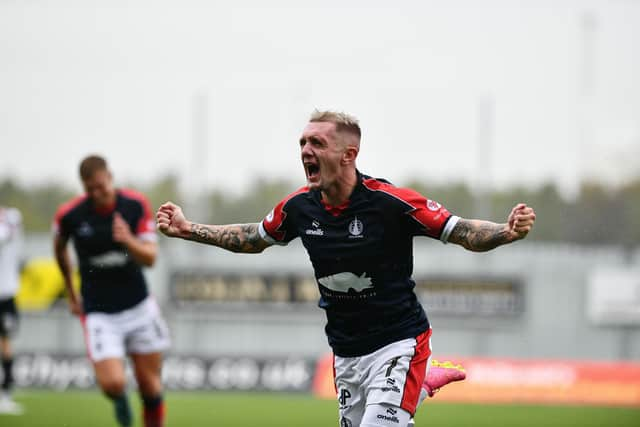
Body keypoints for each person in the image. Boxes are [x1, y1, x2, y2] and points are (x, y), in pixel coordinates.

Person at [157, 110, 536, 427]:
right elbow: (253, 238)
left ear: (348, 154)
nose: (306, 150)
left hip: (400, 342)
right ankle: (417, 385)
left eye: (317, 143)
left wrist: (505, 232)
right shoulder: (299, 207)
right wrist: (189, 230)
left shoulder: (392, 203)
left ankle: (412, 376)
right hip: (346, 352)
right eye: (303, 143)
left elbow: (463, 232)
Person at [53, 155, 170, 427]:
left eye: (100, 186)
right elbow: (59, 250)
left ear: (110, 177)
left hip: (139, 307)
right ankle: (119, 399)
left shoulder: (134, 205)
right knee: (113, 383)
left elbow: (151, 258)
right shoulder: (70, 215)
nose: (96, 193)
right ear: (83, 186)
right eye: (89, 188)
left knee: (150, 388)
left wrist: (128, 239)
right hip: (99, 312)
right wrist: (72, 294)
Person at [0, 206, 24, 415]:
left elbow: (9, 230)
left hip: (6, 294)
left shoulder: (12, 217)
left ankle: (5, 394)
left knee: (6, 344)